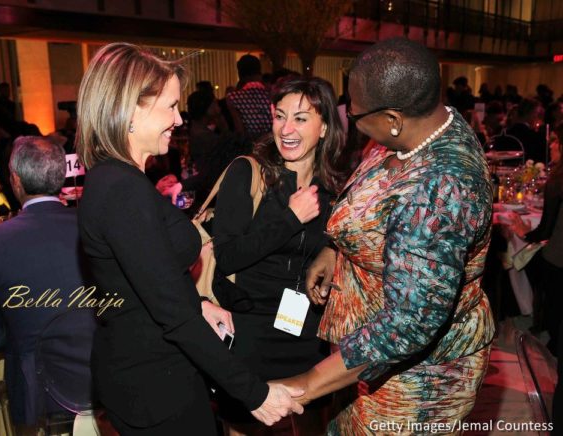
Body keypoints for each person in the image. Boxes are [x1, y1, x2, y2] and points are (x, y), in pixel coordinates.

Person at [75, 42, 303, 435]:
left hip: (150, 376)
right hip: (154, 386)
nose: (179, 120)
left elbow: (145, 281)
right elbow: (170, 312)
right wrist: (256, 395)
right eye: (169, 106)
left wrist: (196, 302)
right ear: (130, 109)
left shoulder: (119, 179)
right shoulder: (121, 190)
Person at [279, 37, 495, 433]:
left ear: (394, 118)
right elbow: (371, 202)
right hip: (367, 354)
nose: (352, 119)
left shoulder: (442, 188)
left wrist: (306, 385)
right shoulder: (414, 131)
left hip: (418, 378)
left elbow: (408, 324)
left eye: (356, 113)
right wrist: (334, 249)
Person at [212, 77, 348, 435]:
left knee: (313, 424)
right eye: (280, 116)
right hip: (250, 331)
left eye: (301, 118)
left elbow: (341, 243)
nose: (286, 129)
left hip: (306, 330)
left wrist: (332, 253)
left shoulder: (335, 187)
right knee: (245, 426)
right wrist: (290, 219)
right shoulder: (248, 173)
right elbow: (227, 256)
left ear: (324, 128)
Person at [0, 136, 94, 430]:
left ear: (16, 180)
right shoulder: (93, 225)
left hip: (37, 398)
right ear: (62, 177)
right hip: (105, 381)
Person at [511, 122, 563, 355]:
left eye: (554, 141)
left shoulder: (557, 181)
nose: (550, 145)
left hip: (558, 259)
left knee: (528, 263)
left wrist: (523, 232)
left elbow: (546, 231)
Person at [226, 54, 273, 142]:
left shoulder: (234, 97)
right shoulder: (272, 94)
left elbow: (240, 130)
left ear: (240, 73)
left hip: (250, 146)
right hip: (273, 144)